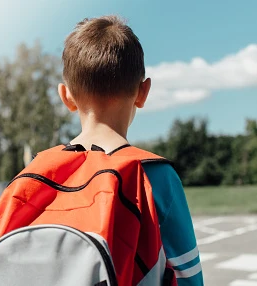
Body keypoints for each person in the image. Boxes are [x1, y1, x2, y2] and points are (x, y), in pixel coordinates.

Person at [56, 16, 204, 285]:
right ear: (143, 91)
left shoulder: (36, 175)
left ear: (66, 96)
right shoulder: (156, 175)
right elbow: (188, 274)